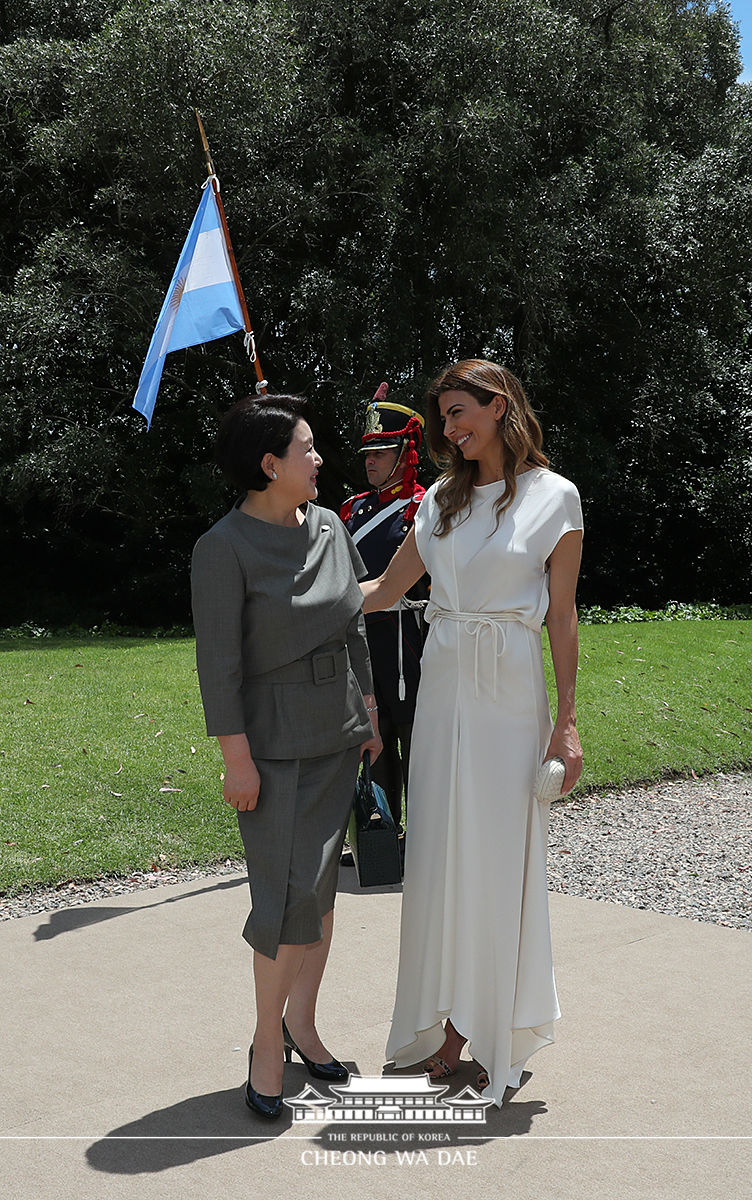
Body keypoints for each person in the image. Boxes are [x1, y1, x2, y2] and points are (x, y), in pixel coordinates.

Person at [360, 359, 583, 1106]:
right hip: (446, 684)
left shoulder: (557, 498)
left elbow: (561, 614)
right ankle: (449, 1022)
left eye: (460, 412)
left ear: (500, 407)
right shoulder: (441, 503)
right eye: (446, 416)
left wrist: (568, 724)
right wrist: (296, 597)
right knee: (442, 857)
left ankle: (495, 1030)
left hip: (510, 690)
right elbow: (387, 591)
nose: (450, 428)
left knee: (497, 858)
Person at [191, 395, 381, 1121]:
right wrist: (235, 759)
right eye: (306, 449)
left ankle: (302, 1023)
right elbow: (220, 665)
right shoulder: (223, 548)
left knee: (322, 894)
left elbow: (351, 625)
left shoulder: (331, 526)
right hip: (270, 748)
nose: (320, 459)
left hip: (336, 735)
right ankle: (265, 1042)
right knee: (285, 899)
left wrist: (368, 711)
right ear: (269, 466)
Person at [340, 384, 427, 835]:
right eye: (367, 452)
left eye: (382, 450)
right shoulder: (351, 511)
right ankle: (376, 835)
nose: (370, 460)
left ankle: (426, 839)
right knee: (371, 746)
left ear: (404, 451)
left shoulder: (425, 507)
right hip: (363, 645)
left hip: (409, 644)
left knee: (415, 747)